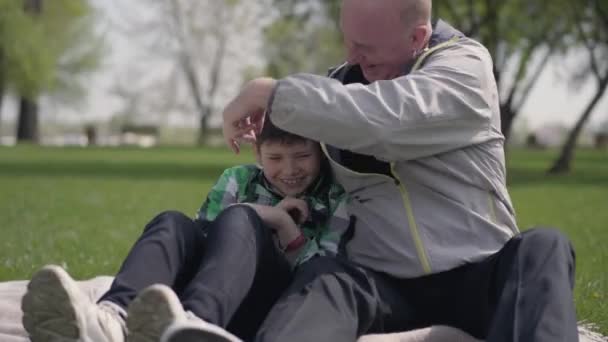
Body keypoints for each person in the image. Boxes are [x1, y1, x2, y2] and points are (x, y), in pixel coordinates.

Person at [163, 0, 579, 341]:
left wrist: (269, 93)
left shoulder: (465, 68)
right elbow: (308, 135)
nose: (351, 56)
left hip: (477, 274)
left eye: (366, 46)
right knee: (324, 276)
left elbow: (385, 120)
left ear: (417, 37)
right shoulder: (339, 83)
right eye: (348, 40)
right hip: (380, 284)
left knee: (543, 247)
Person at [21, 119, 351, 342]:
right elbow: (204, 239)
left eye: (302, 156)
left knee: (239, 219)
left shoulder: (335, 198)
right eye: (275, 158)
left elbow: (315, 279)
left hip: (266, 303)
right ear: (258, 153)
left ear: (319, 152)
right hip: (214, 282)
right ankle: (112, 319)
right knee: (173, 222)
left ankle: (191, 327)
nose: (290, 170)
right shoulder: (238, 179)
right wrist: (266, 212)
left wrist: (284, 227)